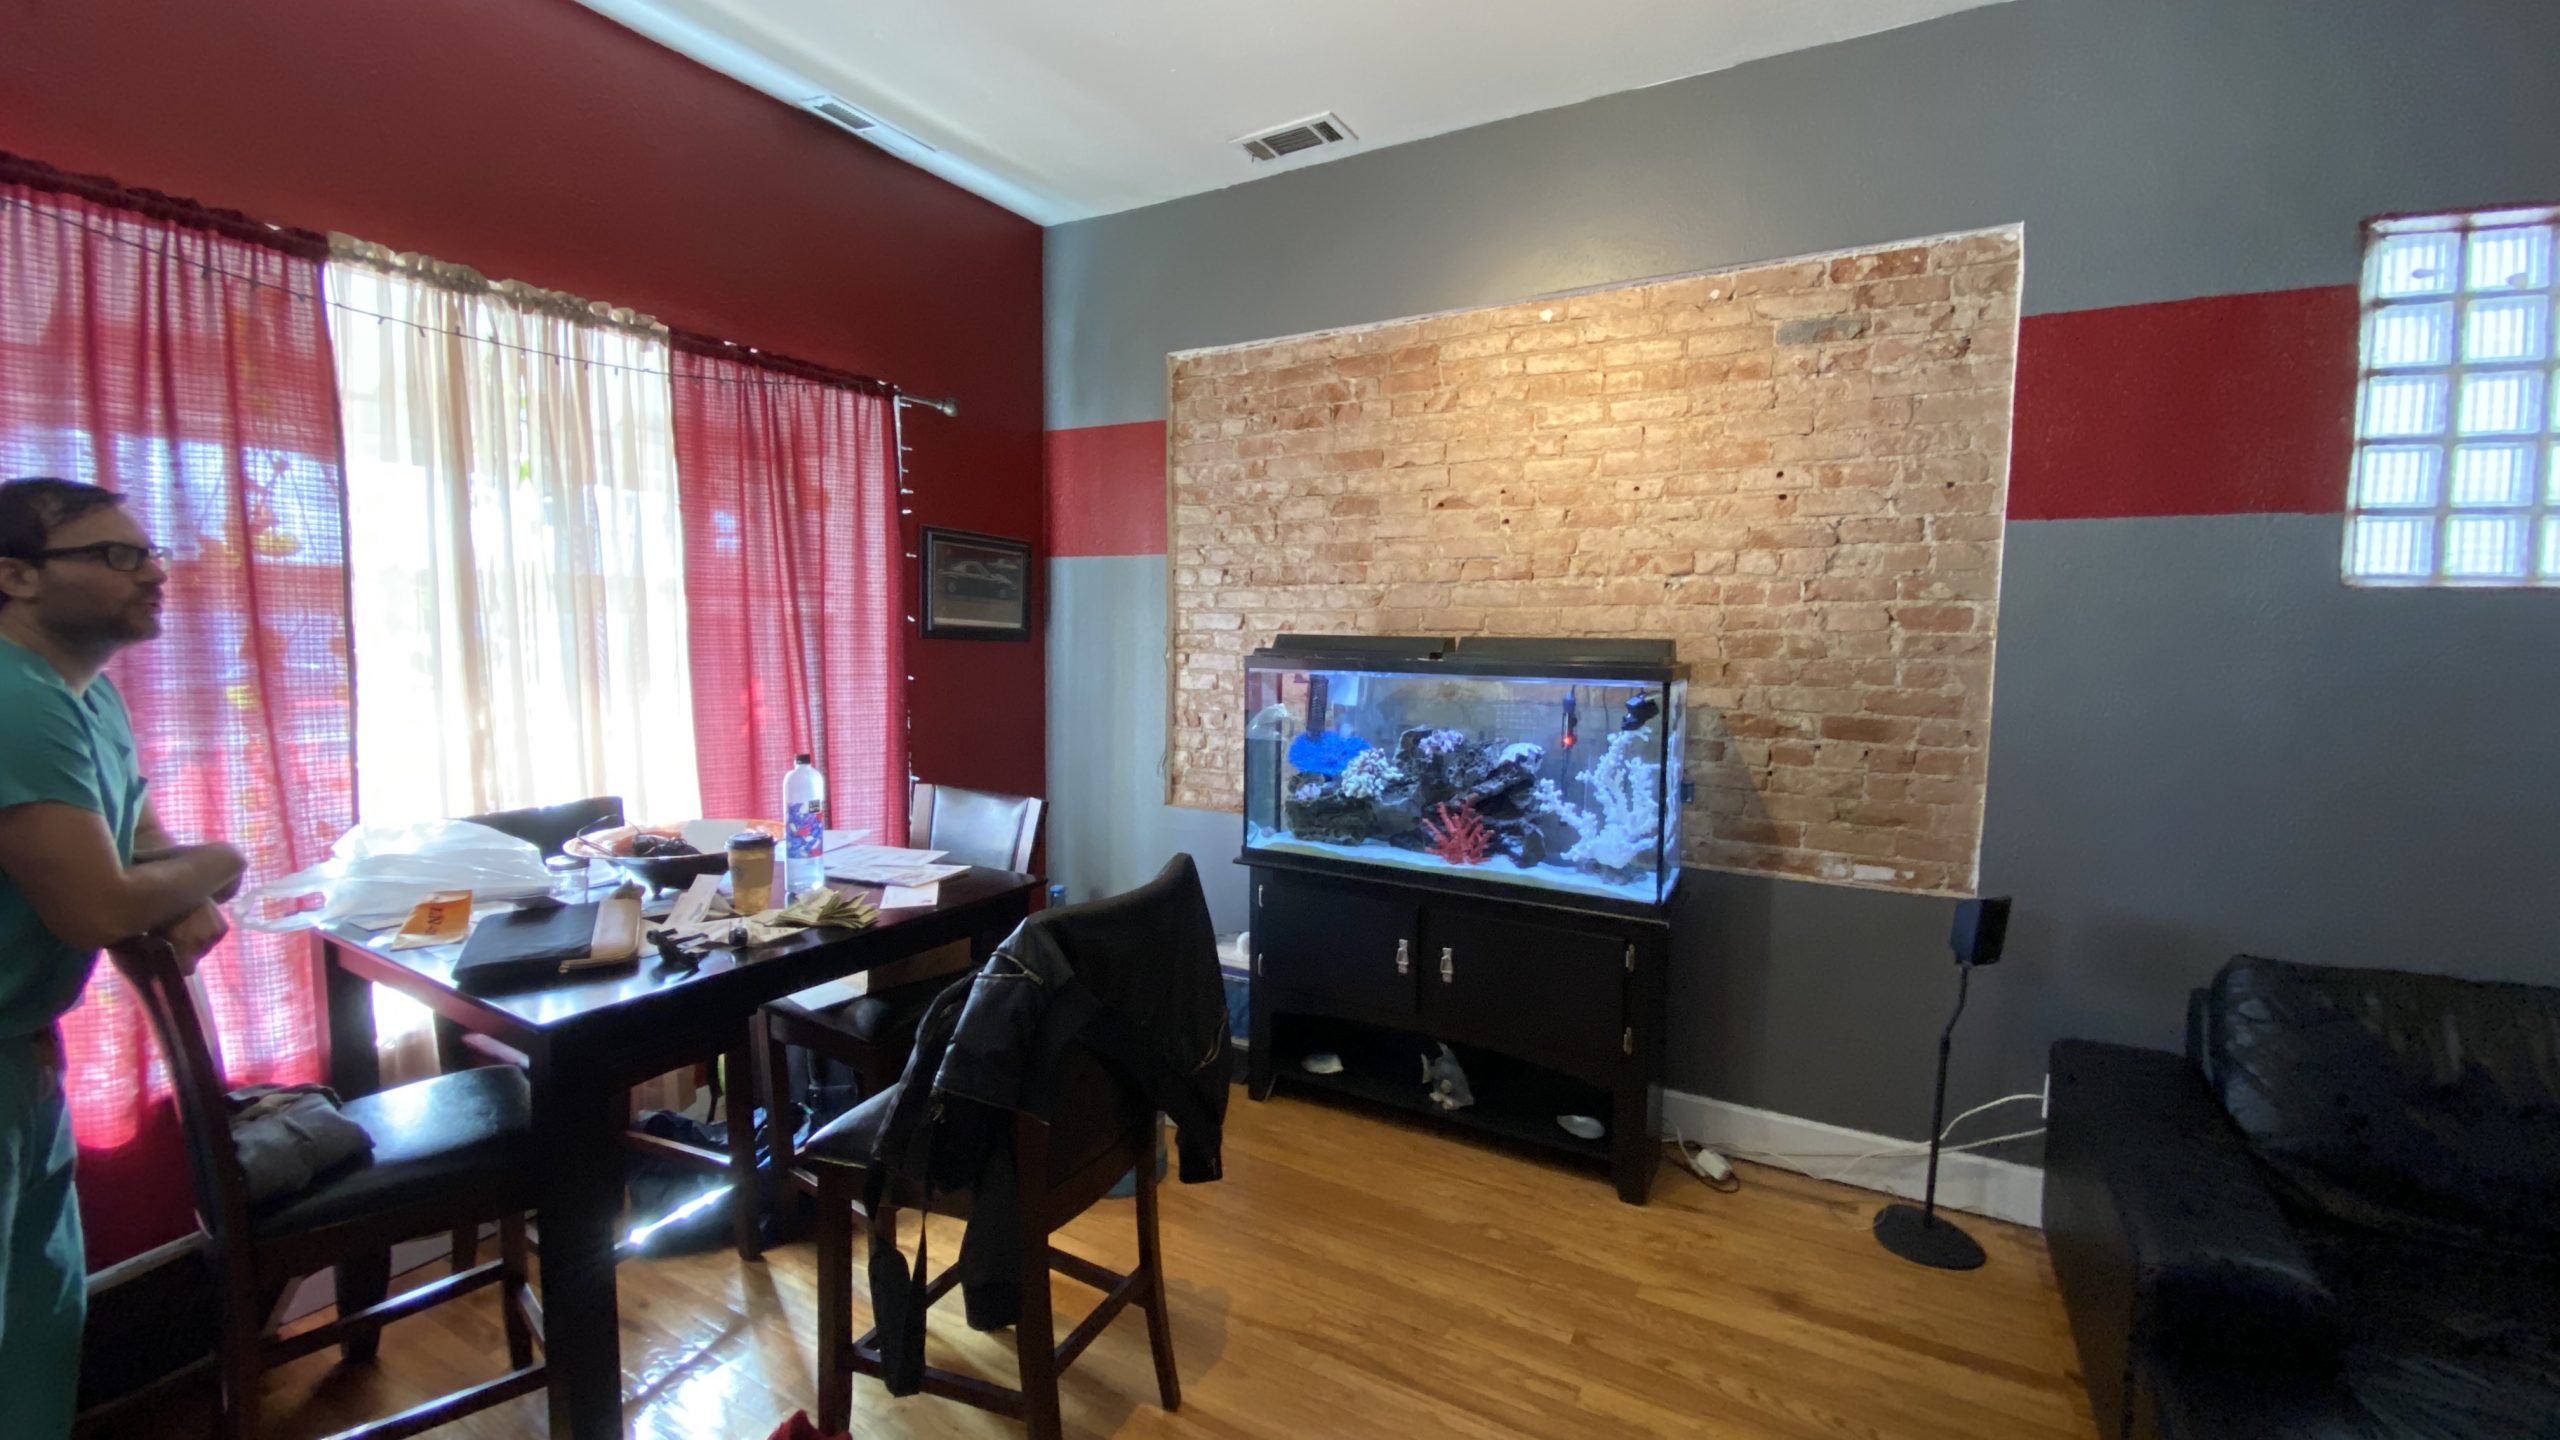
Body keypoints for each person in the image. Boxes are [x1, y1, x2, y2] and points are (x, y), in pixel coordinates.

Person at [0, 477, 245, 1438]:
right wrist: (219, 863)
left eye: (149, 554)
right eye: (116, 556)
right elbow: (97, 905)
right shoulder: (11, 697)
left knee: (38, 1323)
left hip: (23, 1046)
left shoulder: (88, 696)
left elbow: (138, 837)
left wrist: (178, 885)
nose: (152, 573)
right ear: (16, 576)